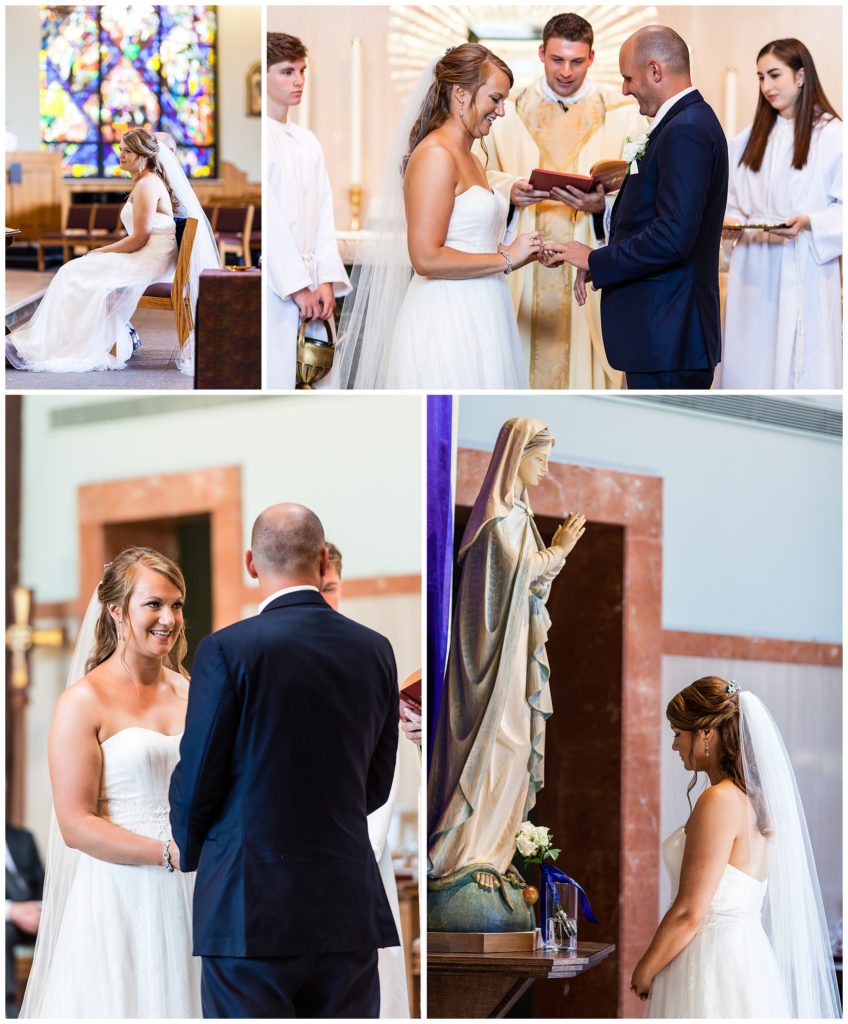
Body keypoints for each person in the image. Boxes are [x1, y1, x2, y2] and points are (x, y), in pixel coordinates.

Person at [169, 504, 400, 1018]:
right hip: (345, 906)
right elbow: (376, 784)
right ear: (322, 560)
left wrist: (191, 849)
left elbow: (199, 775)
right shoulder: (375, 650)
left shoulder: (227, 650)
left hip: (249, 908)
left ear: (251, 562)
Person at [19, 548, 201, 1018]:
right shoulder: (83, 701)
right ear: (117, 611)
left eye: (177, 605)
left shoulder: (193, 691)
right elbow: (76, 824)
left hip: (195, 889)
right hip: (120, 892)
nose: (168, 618)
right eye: (154, 604)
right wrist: (166, 853)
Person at [428, 418, 585, 891]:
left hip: (516, 649)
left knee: (517, 750)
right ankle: (466, 852)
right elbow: (518, 576)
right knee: (501, 745)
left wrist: (554, 556)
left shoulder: (520, 517)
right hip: (491, 662)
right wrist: (558, 550)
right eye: (539, 460)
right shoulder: (497, 522)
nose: (545, 469)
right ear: (516, 458)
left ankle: (494, 855)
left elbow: (532, 586)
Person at [333, 44, 542, 390]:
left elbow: (471, 240)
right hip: (446, 315)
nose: (501, 111)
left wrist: (523, 250)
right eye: (495, 98)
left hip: (485, 308)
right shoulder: (434, 154)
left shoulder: (473, 158)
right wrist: (506, 257)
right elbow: (426, 257)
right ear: (461, 94)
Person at [634, 677, 840, 1018]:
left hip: (710, 965)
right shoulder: (754, 802)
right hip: (748, 960)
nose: (674, 746)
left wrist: (644, 970)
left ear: (705, 733)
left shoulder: (718, 800)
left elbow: (690, 912)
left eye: (677, 733)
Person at [541, 26, 728, 390]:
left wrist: (596, 259)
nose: (625, 88)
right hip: (662, 337)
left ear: (655, 71)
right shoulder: (681, 124)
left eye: (629, 78)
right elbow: (653, 221)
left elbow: (673, 237)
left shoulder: (685, 130)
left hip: (669, 335)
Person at [484, 13, 645, 389]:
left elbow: (642, 189)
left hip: (586, 258)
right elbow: (477, 175)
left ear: (591, 58)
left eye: (576, 61)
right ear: (541, 53)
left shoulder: (622, 113)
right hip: (525, 266)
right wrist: (511, 192)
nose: (567, 71)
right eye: (557, 59)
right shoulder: (507, 108)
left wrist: (602, 209)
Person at [321, 541, 410, 1019]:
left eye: (331, 589)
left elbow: (380, 763)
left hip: (360, 846)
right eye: (317, 589)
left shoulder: (369, 651)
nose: (324, 598)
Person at [720, 39, 842, 389]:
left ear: (801, 76)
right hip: (753, 268)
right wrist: (730, 222)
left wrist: (811, 223)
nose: (766, 87)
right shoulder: (748, 139)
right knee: (750, 364)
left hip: (801, 264)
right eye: (760, 77)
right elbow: (731, 201)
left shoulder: (832, 135)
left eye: (774, 75)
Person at [6, 129, 179, 373]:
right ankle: (50, 344)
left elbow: (140, 238)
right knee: (72, 272)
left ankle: (55, 346)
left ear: (143, 156)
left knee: (73, 273)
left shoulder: (147, 185)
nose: (121, 155)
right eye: (121, 149)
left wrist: (100, 251)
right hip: (148, 257)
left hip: (149, 262)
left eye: (127, 151)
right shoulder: (145, 182)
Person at [266, 33, 351, 389]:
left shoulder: (307, 141)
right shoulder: (265, 138)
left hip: (316, 282)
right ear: (264, 78)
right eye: (287, 72)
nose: (299, 80)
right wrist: (298, 287)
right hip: (279, 288)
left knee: (319, 380)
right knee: (278, 375)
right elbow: (270, 222)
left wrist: (327, 281)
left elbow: (324, 216)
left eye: (302, 70)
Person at [151, 131, 222, 378]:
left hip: (165, 267)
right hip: (167, 264)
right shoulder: (169, 189)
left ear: (168, 154)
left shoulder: (158, 189)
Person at [6, 826, 45, 1018]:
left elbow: (43, 884)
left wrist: (43, 910)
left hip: (36, 915)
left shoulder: (23, 838)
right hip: (7, 920)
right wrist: (10, 911)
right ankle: (8, 1010)